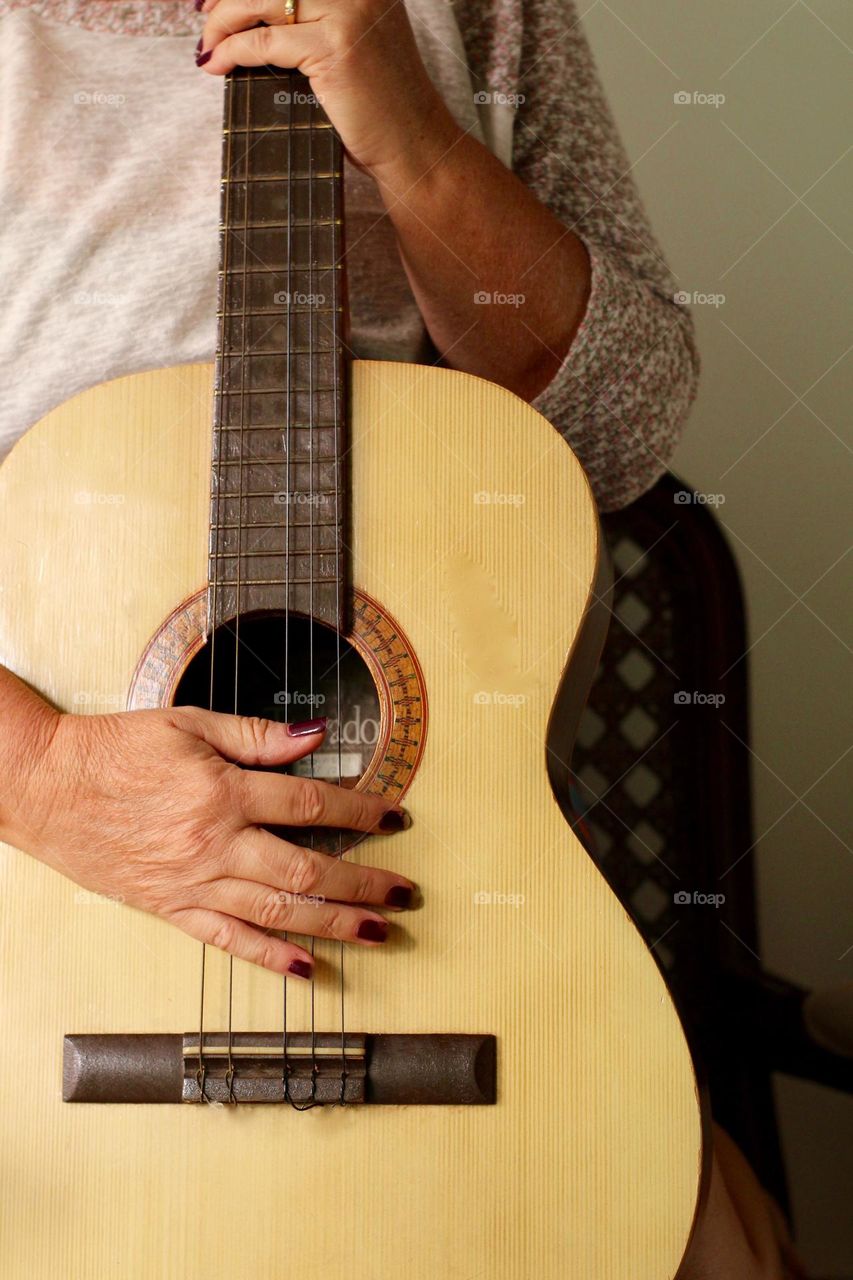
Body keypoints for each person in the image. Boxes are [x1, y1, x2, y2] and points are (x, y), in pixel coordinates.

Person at [0, 2, 805, 1275]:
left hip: (466, 935)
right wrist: (42, 771)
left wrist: (418, 141)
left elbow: (620, 432)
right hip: (42, 906)